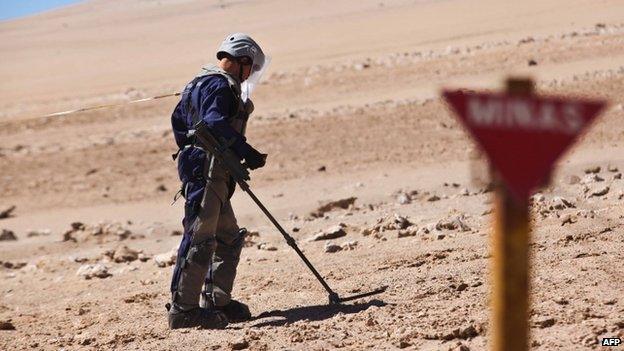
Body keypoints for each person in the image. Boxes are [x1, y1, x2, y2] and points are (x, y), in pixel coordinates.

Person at [168, 33, 268, 329]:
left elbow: (179, 123)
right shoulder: (221, 85)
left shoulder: (197, 84)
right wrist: (243, 150)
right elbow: (212, 122)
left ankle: (216, 300)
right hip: (207, 170)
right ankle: (183, 309)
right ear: (242, 61)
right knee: (199, 237)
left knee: (227, 236)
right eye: (251, 67)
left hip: (207, 167)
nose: (250, 74)